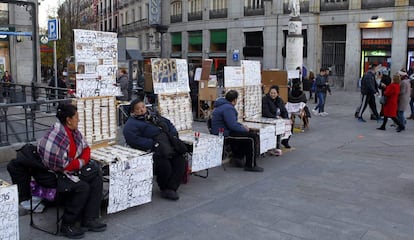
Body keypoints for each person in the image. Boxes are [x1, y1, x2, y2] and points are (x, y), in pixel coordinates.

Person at [37, 103, 106, 239]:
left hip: (71, 169)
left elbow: (86, 149)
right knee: (83, 187)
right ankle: (67, 224)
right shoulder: (57, 134)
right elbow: (60, 165)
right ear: (68, 119)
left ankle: (89, 219)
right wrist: (80, 162)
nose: (78, 120)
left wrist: (81, 162)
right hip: (54, 174)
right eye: (76, 117)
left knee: (97, 176)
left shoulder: (74, 132)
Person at [123, 99, 186, 201]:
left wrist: (173, 135)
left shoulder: (154, 116)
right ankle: (165, 187)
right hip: (153, 148)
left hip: (168, 143)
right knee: (164, 165)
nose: (142, 110)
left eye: (143, 107)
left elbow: (169, 124)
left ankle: (172, 187)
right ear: (133, 111)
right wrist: (153, 144)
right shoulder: (131, 124)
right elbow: (133, 139)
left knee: (180, 161)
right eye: (138, 109)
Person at [211, 90, 263, 172]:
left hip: (222, 131)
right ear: (235, 100)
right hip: (224, 133)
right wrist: (244, 128)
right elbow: (232, 125)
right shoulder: (228, 108)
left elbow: (232, 123)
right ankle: (250, 165)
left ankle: (238, 157)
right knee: (251, 138)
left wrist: (242, 127)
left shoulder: (223, 105)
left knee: (246, 135)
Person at [262, 85, 289, 155]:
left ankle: (285, 141)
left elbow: (284, 110)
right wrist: (275, 117)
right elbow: (266, 112)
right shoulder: (265, 99)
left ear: (277, 93)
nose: (273, 94)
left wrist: (286, 118)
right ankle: (276, 146)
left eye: (274, 93)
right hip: (270, 118)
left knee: (288, 124)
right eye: (271, 93)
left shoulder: (279, 100)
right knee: (277, 126)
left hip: (279, 118)